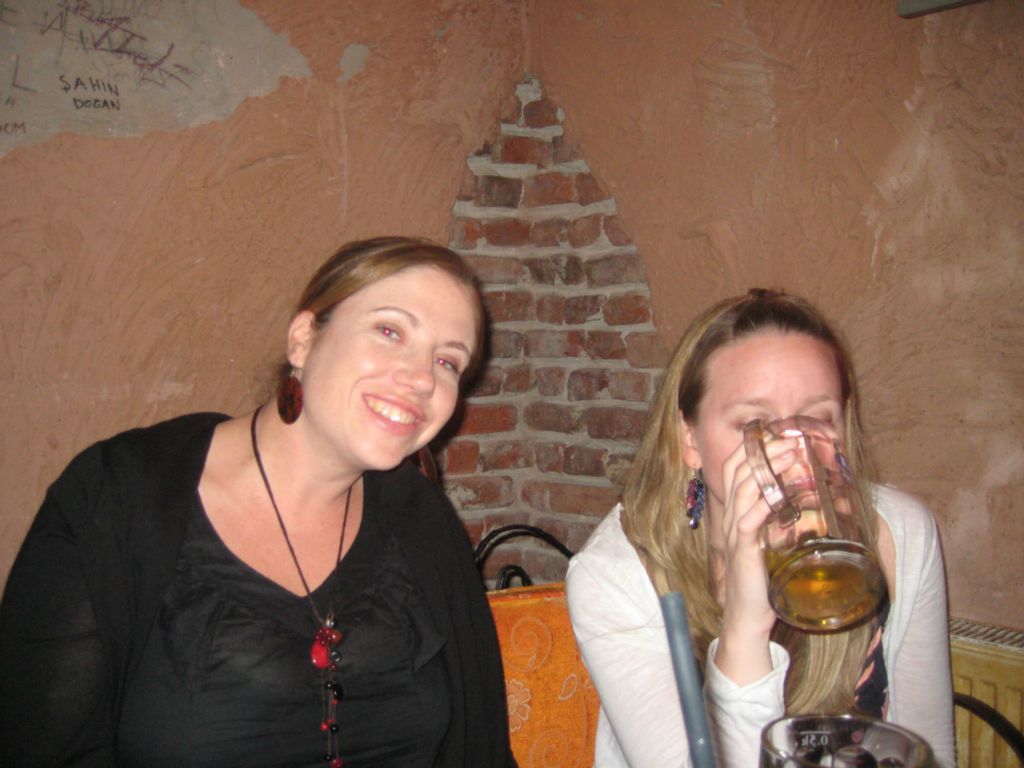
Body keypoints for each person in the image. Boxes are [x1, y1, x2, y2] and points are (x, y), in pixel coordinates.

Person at [0, 237, 516, 768]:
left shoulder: (422, 520)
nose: (422, 378)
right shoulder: (117, 498)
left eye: (447, 361)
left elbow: (480, 751)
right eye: (390, 331)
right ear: (303, 340)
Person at [565, 288, 954, 768]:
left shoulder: (901, 535)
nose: (791, 451)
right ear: (690, 440)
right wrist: (746, 626)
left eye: (817, 418)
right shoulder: (614, 576)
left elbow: (929, 753)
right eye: (754, 424)